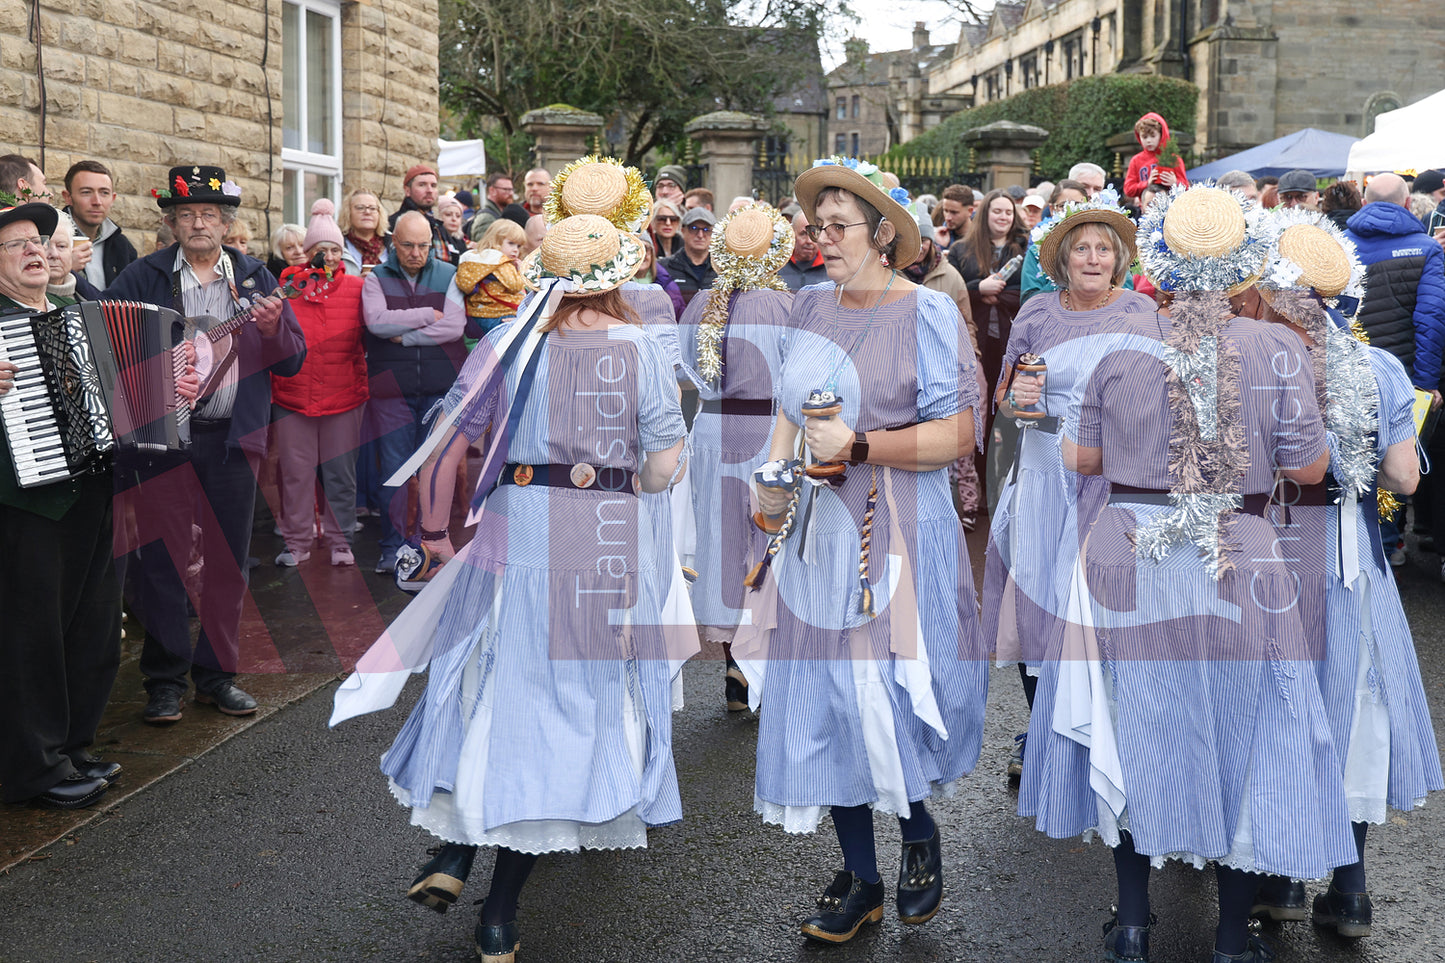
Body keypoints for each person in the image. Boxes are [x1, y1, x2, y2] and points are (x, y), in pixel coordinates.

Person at [331, 211, 686, 963]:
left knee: (483, 685)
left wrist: (430, 535)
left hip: (512, 527)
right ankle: (497, 913)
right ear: (619, 275)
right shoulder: (642, 349)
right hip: (599, 535)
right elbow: (663, 466)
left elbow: (448, 438)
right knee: (561, 710)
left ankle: (454, 855)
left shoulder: (503, 341)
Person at [1024, 185, 1349, 963]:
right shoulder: (1277, 349)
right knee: (1247, 733)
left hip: (1128, 544)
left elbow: (1081, 458)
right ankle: (1232, 938)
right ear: (1244, 266)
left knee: (1136, 729)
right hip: (1239, 545)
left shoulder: (1116, 346)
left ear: (1158, 264)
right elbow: (1307, 465)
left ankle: (1133, 923)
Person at [739, 157, 987, 945]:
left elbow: (957, 433)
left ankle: (916, 832)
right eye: (816, 227)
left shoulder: (927, 312)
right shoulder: (808, 307)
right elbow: (788, 413)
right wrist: (768, 481)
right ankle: (861, 875)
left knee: (885, 692)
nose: (823, 240)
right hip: (815, 535)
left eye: (838, 227)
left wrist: (862, 445)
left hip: (899, 529)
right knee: (821, 700)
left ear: (883, 235)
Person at [1246, 209, 1443, 938]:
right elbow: (1403, 477)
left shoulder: (1254, 359)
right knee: (1356, 710)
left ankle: (1278, 880)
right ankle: (1350, 886)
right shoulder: (1377, 366)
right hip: (1348, 558)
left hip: (1268, 550)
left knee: (1276, 709)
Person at [106, 165, 306, 725]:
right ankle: (164, 682)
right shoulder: (142, 277)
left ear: (226, 223)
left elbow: (293, 360)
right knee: (162, 562)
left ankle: (217, 677)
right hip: (160, 444)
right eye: (187, 214)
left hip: (231, 442)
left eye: (210, 215)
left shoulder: (256, 277)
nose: (199, 223)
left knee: (227, 563)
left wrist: (271, 331)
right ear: (170, 221)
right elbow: (105, 353)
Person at [0, 201, 180, 809]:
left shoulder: (77, 311)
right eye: (16, 243)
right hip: (27, 507)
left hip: (96, 490)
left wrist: (169, 386)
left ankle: (71, 746)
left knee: (93, 630)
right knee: (32, 641)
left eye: (39, 240)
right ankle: (33, 768)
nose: (34, 250)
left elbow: (130, 391)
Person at [978, 193, 1155, 780]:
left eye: (1105, 248)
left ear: (1120, 259)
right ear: (1063, 260)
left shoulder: (1138, 313)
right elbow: (1004, 396)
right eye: (1082, 247)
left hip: (1111, 478)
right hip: (1041, 474)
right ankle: (1044, 736)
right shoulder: (1035, 313)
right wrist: (1018, 399)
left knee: (1099, 610)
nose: (1094, 257)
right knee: (1036, 607)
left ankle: (1107, 738)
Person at [675, 204, 793, 710]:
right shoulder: (789, 307)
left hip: (712, 430)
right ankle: (760, 662)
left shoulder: (701, 303)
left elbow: (682, 370)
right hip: (769, 430)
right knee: (770, 543)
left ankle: (733, 667)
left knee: (722, 545)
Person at [1345, 172, 1445, 563]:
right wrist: (1424, 385)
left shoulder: (1342, 243)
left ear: (1365, 204)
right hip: (1402, 377)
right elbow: (1432, 319)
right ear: (1408, 204)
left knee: (1357, 463)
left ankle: (1364, 554)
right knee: (1398, 465)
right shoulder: (1425, 248)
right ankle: (1387, 554)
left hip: (1350, 375)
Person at [361, 210, 467, 574]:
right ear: (394, 243)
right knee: (394, 470)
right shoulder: (376, 277)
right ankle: (391, 547)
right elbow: (376, 323)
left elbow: (455, 326)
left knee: (433, 469)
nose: (416, 252)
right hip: (392, 390)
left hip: (439, 389)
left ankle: (426, 544)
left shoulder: (449, 273)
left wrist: (404, 334)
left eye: (423, 245)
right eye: (408, 245)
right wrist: (428, 313)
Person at [270, 199, 368, 568]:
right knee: (295, 474)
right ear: (306, 254)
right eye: (319, 250)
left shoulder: (359, 288)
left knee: (340, 472)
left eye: (334, 250)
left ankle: (341, 541)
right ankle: (297, 541)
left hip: (344, 394)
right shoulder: (287, 288)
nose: (326, 256)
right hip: (293, 395)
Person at [905, 207, 983, 530]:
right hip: (910, 366)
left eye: (925, 239)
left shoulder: (949, 275)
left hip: (948, 367)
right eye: (915, 240)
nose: (920, 246)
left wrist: (972, 358)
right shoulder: (894, 276)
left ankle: (967, 507)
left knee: (958, 444)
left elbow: (966, 322)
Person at [951, 188, 1029, 508]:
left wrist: (998, 295)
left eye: (1008, 212)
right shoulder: (961, 250)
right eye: (997, 211)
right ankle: (979, 493)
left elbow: (1028, 292)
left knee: (1009, 417)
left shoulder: (1025, 249)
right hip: (976, 345)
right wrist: (977, 288)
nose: (1003, 217)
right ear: (985, 214)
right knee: (979, 418)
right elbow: (950, 290)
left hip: (1012, 344)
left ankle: (1007, 492)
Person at [61, 160, 137, 293]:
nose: (97, 201)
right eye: (86, 192)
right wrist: (64, 269)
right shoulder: (50, 239)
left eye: (104, 193)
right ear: (68, 197)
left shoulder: (123, 247)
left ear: (113, 199)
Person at [456, 218, 527, 343]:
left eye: (518, 246)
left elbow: (466, 285)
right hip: (498, 316)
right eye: (511, 243)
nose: (516, 249)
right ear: (496, 241)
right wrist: (521, 272)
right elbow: (515, 285)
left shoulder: (477, 259)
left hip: (475, 316)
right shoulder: (500, 261)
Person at [389, 164, 454, 264]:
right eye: (422, 185)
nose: (429, 190)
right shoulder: (395, 224)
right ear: (407, 190)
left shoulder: (439, 226)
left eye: (433, 185)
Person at [1122, 112, 1187, 202]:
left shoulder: (1174, 159)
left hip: (1170, 206)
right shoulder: (1136, 160)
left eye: (1153, 136)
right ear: (1139, 137)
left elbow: (1186, 186)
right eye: (1144, 137)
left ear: (1161, 135)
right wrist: (1147, 183)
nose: (1149, 140)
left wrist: (1175, 182)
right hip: (1146, 208)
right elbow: (1128, 189)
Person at [662, 206, 718, 305]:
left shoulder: (722, 270)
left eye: (706, 230)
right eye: (694, 228)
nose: (700, 235)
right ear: (683, 231)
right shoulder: (664, 268)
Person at [340, 188, 389, 274]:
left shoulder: (394, 243)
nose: (367, 212)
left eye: (373, 208)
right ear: (348, 213)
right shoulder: (338, 246)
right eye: (360, 208)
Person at [780, 211, 828, 289]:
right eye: (803, 234)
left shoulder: (830, 266)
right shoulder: (779, 266)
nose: (809, 241)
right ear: (792, 234)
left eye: (814, 234)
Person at [45, 211, 82, 303]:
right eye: (45, 246)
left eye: (61, 246)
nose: (54, 254)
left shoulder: (87, 296)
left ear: (71, 250)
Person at [467, 171, 515, 241]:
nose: (511, 193)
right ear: (492, 190)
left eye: (511, 190)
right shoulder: (486, 218)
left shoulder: (498, 214)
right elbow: (486, 248)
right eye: (506, 189)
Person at [436, 195, 469, 262]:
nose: (454, 219)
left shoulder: (460, 241)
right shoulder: (436, 239)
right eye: (448, 214)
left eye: (458, 216)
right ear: (438, 215)